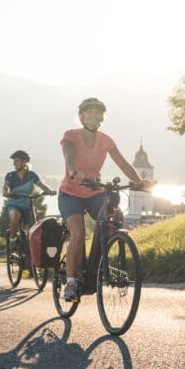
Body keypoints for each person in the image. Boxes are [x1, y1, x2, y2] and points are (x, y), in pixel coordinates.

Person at [58, 97, 154, 301]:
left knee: (113, 217)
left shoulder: (105, 140)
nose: (94, 117)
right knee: (78, 233)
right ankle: (72, 283)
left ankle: (97, 265)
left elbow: (124, 163)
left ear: (102, 118)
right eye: (89, 114)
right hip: (70, 193)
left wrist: (139, 182)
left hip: (93, 191)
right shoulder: (71, 136)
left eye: (98, 114)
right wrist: (74, 171)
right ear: (82, 117)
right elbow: (68, 157)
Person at [2, 150, 56, 243]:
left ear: (24, 162)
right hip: (14, 204)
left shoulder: (31, 175)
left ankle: (30, 248)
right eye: (13, 162)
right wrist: (6, 192)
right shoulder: (10, 175)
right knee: (16, 216)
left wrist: (50, 191)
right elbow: (5, 188)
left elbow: (42, 185)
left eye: (17, 161)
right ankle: (12, 239)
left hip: (27, 205)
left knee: (32, 228)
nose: (14, 164)